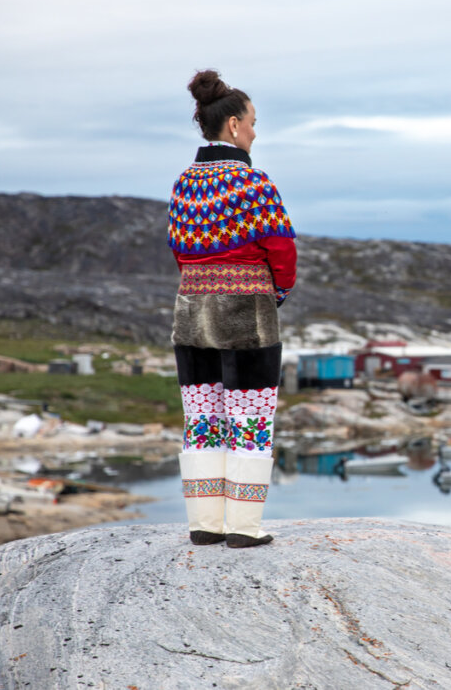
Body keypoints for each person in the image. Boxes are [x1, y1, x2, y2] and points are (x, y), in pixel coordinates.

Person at [168, 69, 296, 548]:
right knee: (250, 416)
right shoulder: (252, 183)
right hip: (247, 310)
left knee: (201, 416)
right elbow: (281, 249)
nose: (256, 132)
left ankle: (205, 524)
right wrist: (275, 293)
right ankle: (243, 528)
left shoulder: (184, 184)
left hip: (190, 310)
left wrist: (199, 284)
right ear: (235, 127)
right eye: (254, 122)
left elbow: (179, 249)